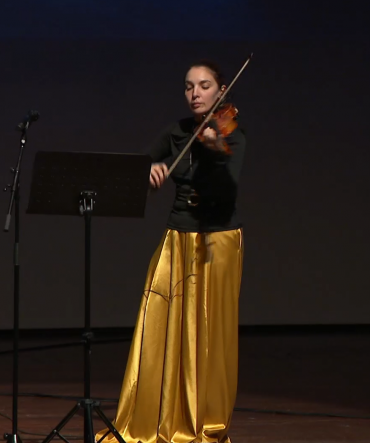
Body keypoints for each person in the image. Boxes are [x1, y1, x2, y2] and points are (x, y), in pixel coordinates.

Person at [97, 60, 246, 443]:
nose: (195, 93)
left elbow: (227, 191)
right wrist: (149, 173)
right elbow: (139, 165)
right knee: (161, 325)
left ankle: (204, 420)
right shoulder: (177, 132)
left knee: (210, 334)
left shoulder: (233, 135)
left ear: (221, 91)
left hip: (217, 243)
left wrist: (216, 150)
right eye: (188, 86)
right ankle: (159, 416)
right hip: (178, 237)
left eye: (204, 85)